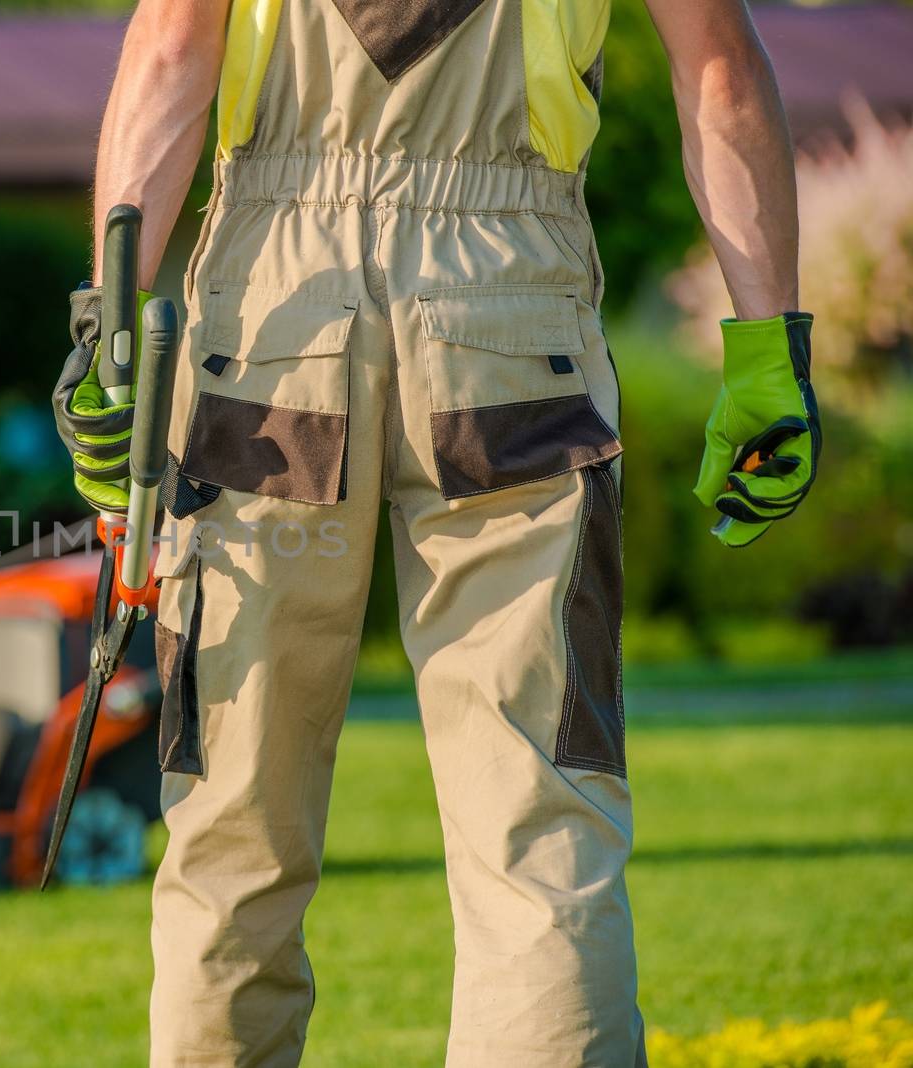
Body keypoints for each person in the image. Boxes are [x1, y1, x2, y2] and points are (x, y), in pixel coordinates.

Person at [51, 0, 820, 1063]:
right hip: (507, 312)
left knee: (231, 828)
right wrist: (766, 347)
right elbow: (718, 69)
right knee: (537, 820)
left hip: (274, 320)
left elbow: (173, 46)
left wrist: (109, 326)